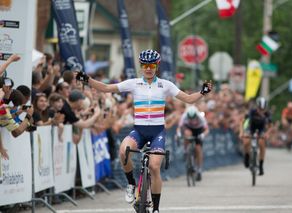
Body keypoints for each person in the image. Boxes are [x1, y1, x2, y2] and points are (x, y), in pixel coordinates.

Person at [75, 49, 212, 213]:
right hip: (139, 131)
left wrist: (203, 92)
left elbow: (188, 99)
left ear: (157, 66)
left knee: (154, 167)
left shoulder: (165, 84)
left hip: (157, 133)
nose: (148, 68)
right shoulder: (133, 83)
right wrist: (87, 79)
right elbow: (105, 88)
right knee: (123, 151)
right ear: (141, 66)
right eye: (145, 65)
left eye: (152, 65)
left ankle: (156, 208)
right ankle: (131, 184)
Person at [240, 97, 272, 176]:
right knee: (246, 142)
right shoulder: (251, 112)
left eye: (263, 109)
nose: (262, 111)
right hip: (251, 127)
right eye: (260, 109)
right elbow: (242, 122)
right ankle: (247, 156)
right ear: (257, 107)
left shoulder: (267, 114)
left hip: (261, 129)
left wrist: (267, 133)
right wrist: (241, 132)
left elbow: (271, 126)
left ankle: (261, 165)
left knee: (262, 144)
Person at [176, 105, 209, 181]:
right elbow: (179, 127)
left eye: (193, 118)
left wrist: (203, 135)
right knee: (187, 134)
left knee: (198, 149)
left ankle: (199, 169)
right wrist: (178, 134)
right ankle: (186, 151)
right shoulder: (184, 116)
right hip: (188, 128)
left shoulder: (201, 117)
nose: (192, 120)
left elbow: (207, 129)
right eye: (190, 118)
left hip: (198, 130)